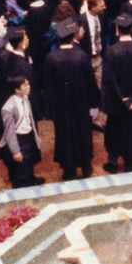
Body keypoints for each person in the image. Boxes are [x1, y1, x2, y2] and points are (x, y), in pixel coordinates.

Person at [41, 17, 99, 181]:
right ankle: (86, 166)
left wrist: (50, 110)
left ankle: (69, 169)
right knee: (83, 134)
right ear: (73, 35)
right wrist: (94, 103)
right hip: (80, 105)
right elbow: (90, 83)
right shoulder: (81, 56)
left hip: (61, 107)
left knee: (64, 135)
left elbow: (48, 87)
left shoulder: (51, 58)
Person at [101, 12, 132, 173]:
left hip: (117, 102)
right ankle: (130, 162)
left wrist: (122, 99)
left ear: (117, 28)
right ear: (131, 29)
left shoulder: (111, 51)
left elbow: (110, 79)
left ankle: (113, 161)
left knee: (114, 130)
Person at [0, 75, 42, 187]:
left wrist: (36, 137)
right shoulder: (8, 108)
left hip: (28, 136)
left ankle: (31, 178)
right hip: (19, 138)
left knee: (29, 161)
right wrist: (15, 151)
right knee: (21, 167)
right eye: (25, 85)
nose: (29, 87)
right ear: (17, 90)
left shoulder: (26, 100)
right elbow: (9, 131)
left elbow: (30, 119)